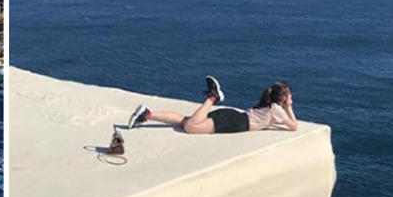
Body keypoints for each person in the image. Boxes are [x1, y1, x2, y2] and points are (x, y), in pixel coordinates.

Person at [127, 75, 298, 134]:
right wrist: (289, 106)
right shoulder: (277, 110)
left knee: (184, 121)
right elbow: (294, 127)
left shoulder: (266, 105)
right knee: (191, 128)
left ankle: (147, 114)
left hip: (234, 116)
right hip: (235, 123)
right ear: (282, 98)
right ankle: (212, 97)